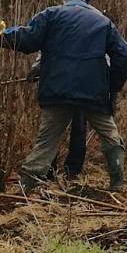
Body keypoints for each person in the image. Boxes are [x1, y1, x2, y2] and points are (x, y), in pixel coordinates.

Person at [0, 0, 127, 193]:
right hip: (93, 92)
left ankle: (26, 189)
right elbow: (125, 55)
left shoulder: (51, 15)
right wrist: (112, 86)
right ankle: (118, 182)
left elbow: (27, 39)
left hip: (57, 90)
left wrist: (1, 36)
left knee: (47, 140)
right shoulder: (102, 22)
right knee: (110, 135)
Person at [27, 53, 87, 181]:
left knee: (77, 125)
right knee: (55, 128)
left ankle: (72, 171)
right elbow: (46, 45)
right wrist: (37, 67)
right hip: (60, 82)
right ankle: (50, 169)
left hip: (79, 82)